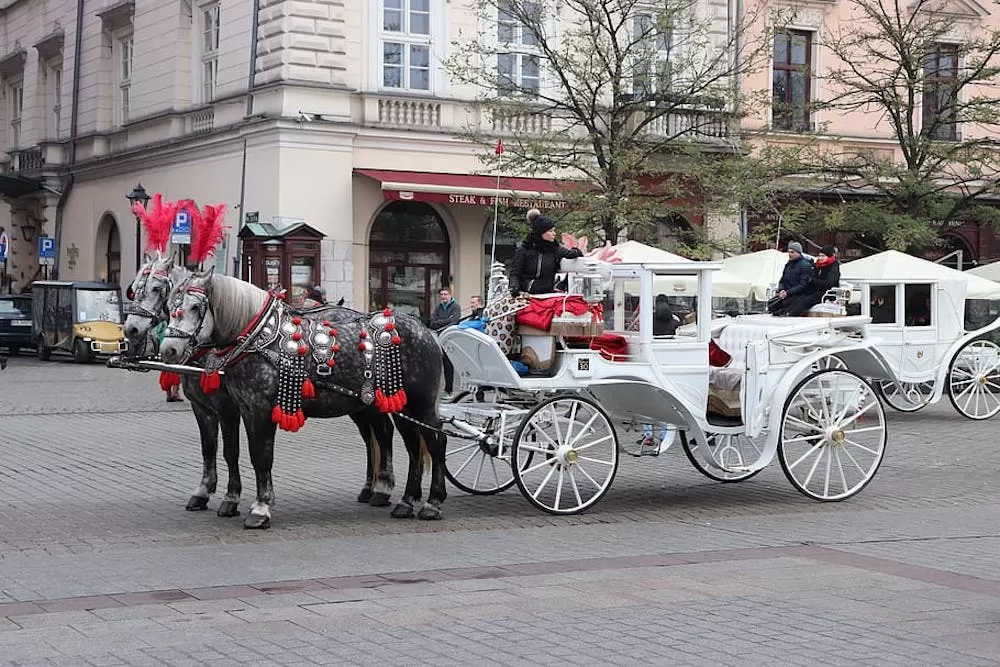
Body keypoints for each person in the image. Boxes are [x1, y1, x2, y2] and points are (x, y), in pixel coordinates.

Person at [508, 210, 584, 296]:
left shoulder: (554, 248)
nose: (554, 234)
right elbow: (515, 273)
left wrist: (577, 251)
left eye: (554, 231)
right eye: (550, 231)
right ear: (541, 233)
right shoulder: (524, 250)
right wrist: (514, 287)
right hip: (528, 294)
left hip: (548, 293)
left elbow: (571, 254)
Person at [779, 245, 841, 317]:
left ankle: (790, 314)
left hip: (826, 293)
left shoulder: (833, 267)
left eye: (823, 256)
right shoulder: (818, 266)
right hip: (815, 291)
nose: (820, 258)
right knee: (799, 298)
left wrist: (812, 280)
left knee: (805, 300)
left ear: (829, 256)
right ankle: (785, 312)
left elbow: (830, 283)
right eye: (819, 256)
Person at [429, 287, 462, 396]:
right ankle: (436, 389)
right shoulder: (439, 307)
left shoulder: (455, 307)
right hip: (439, 338)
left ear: (450, 295)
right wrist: (447, 320)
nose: (443, 296)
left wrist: (441, 322)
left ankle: (449, 390)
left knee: (448, 365)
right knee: (437, 365)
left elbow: (454, 322)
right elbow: (432, 323)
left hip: (449, 339)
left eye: (445, 294)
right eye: (442, 295)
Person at [767, 241, 814, 316]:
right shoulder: (788, 265)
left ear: (798, 253)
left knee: (785, 304)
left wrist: (788, 292)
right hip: (786, 293)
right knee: (772, 303)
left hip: (797, 295)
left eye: (792, 252)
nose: (789, 254)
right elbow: (782, 280)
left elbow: (803, 285)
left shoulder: (805, 266)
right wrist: (781, 289)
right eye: (788, 252)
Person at [155, 320, 183, 403]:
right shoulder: (174, 324)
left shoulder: (162, 325)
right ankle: (175, 392)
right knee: (175, 371)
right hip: (172, 348)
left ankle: (169, 394)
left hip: (163, 349)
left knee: (166, 371)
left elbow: (158, 334)